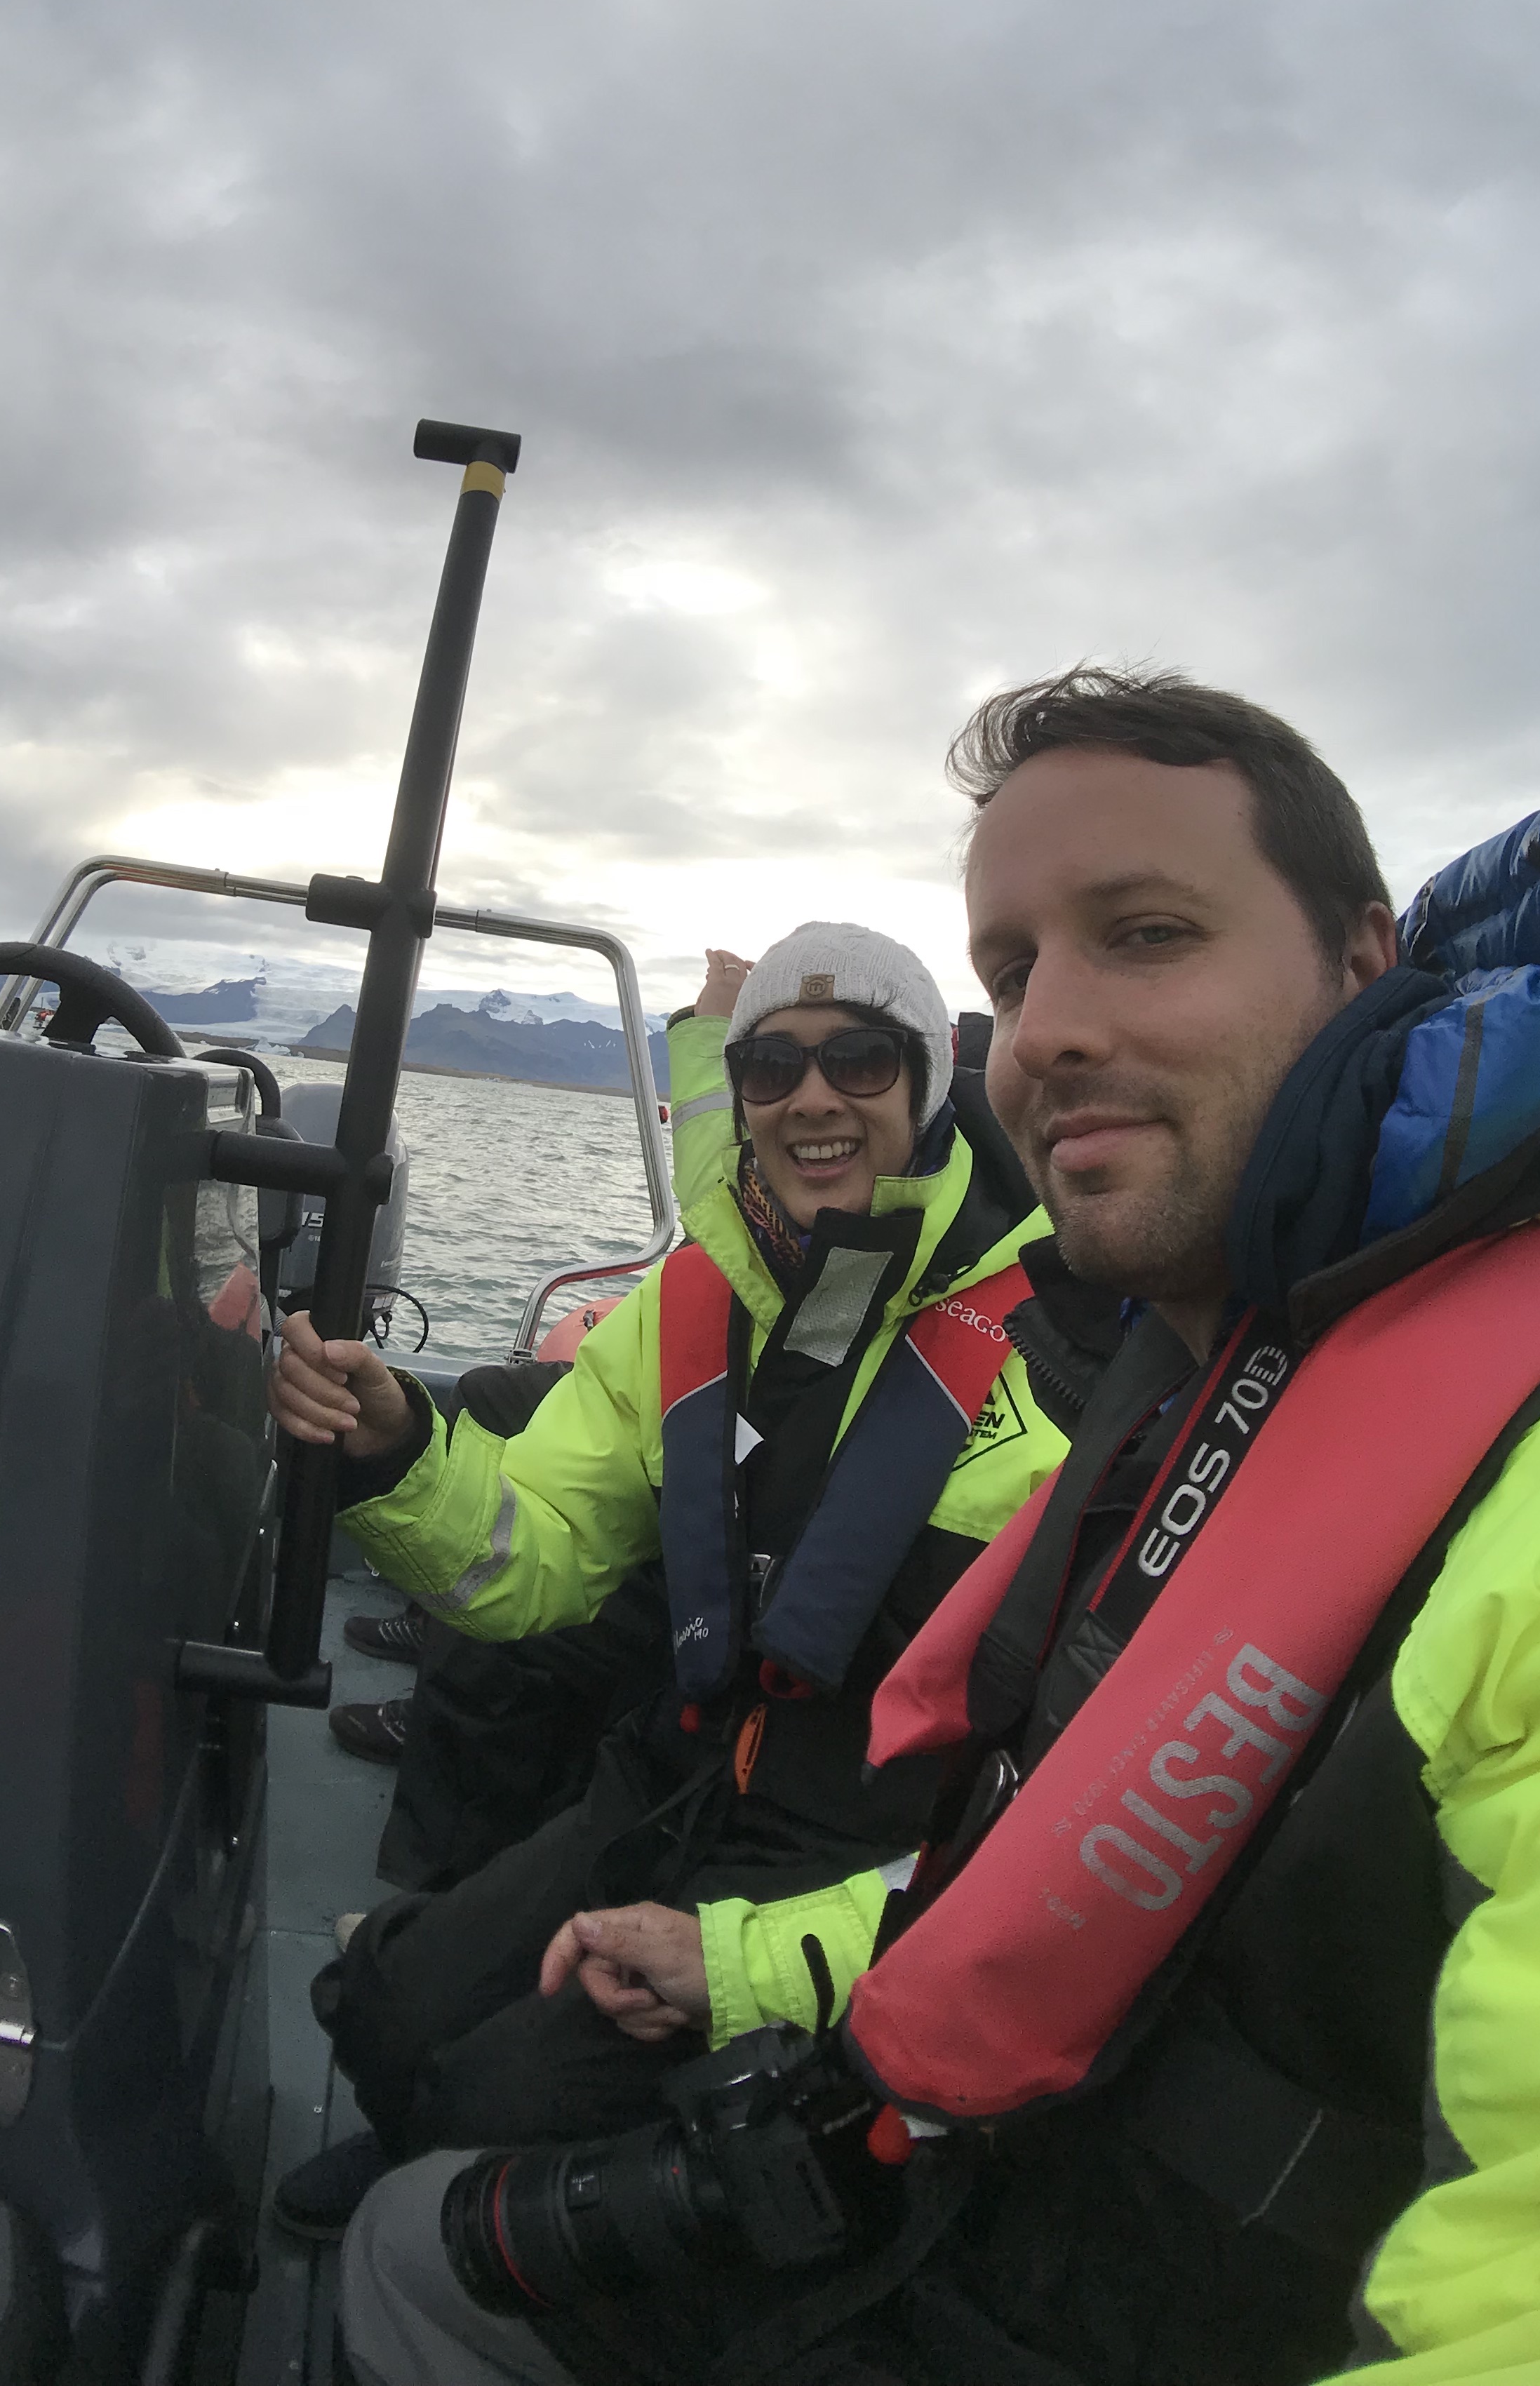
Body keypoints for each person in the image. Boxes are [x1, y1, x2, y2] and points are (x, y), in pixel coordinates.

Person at [338, 667, 1540, 2386]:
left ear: (1371, 965)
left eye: (1145, 933)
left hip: (1065, 2188)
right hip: (930, 2069)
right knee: (399, 2055)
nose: (1053, 1024)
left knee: (443, 2209)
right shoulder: (1230, 1346)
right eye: (1017, 969)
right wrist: (390, 1449)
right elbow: (549, 1561)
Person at [269, 923, 1087, 2239]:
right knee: (381, 2001)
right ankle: (409, 2139)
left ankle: (444, 2171)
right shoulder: (693, 1301)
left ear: (928, 1081)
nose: (811, 1096)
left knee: (494, 2100)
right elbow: (525, 1557)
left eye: (859, 1058)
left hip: (849, 1860)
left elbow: (1065, 1818)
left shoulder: (1059, 1353)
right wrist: (401, 1451)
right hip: (672, 1780)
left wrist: (745, 1965)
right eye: (767, 1066)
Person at [323, 948, 758, 1821]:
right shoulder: (751, 1189)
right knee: (488, 1391)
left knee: (530, 1476)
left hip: (717, 1428)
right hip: (680, 1375)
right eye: (780, 1066)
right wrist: (711, 1021)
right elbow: (713, 1144)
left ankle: (442, 1789)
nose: (810, 1097)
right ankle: (436, 1627)